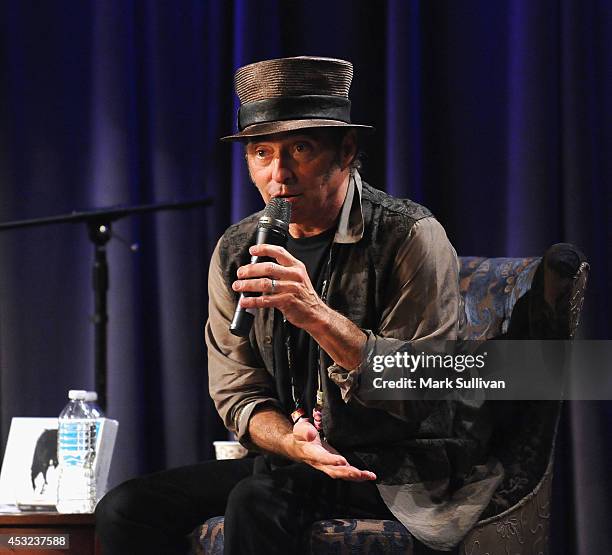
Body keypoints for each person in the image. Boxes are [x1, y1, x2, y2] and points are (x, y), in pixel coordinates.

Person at [96, 56, 502, 555]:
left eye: (301, 149)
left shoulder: (408, 235)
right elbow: (237, 392)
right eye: (262, 152)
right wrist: (291, 442)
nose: (278, 173)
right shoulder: (237, 248)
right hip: (295, 458)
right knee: (126, 509)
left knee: (255, 501)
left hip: (403, 467)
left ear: (346, 150)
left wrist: (316, 314)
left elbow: (423, 386)